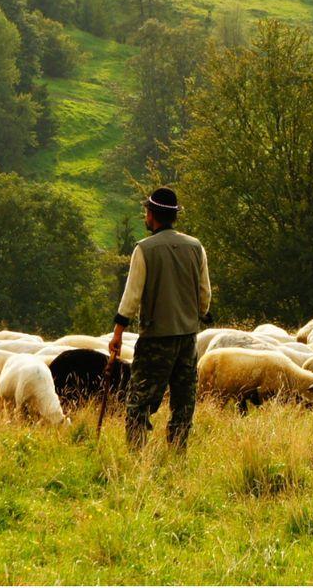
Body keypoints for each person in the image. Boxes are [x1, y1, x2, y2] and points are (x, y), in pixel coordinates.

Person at [108, 186, 212, 450]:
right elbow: (204, 294)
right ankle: (177, 453)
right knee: (183, 401)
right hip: (188, 338)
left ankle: (137, 455)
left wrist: (118, 332)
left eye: (146, 211)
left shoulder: (144, 249)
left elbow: (131, 297)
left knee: (139, 400)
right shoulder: (195, 247)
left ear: (152, 215)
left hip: (156, 339)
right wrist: (197, 315)